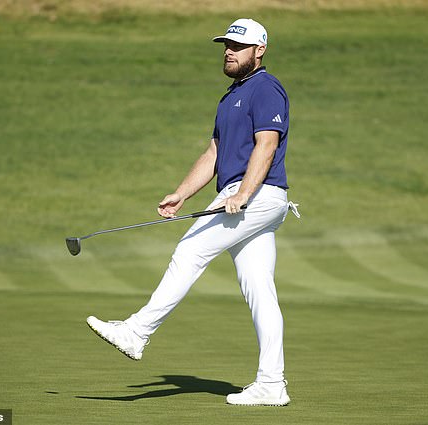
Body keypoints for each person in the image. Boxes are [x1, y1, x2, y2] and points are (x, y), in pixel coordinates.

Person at [86, 18, 298, 406]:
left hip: (257, 195)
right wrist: (181, 193)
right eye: (226, 45)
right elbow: (215, 153)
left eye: (238, 46)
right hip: (250, 196)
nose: (229, 51)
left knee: (190, 251)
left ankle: (137, 332)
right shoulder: (229, 97)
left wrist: (244, 194)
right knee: (260, 291)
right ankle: (272, 383)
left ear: (260, 50)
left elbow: (266, 145)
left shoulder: (266, 88)